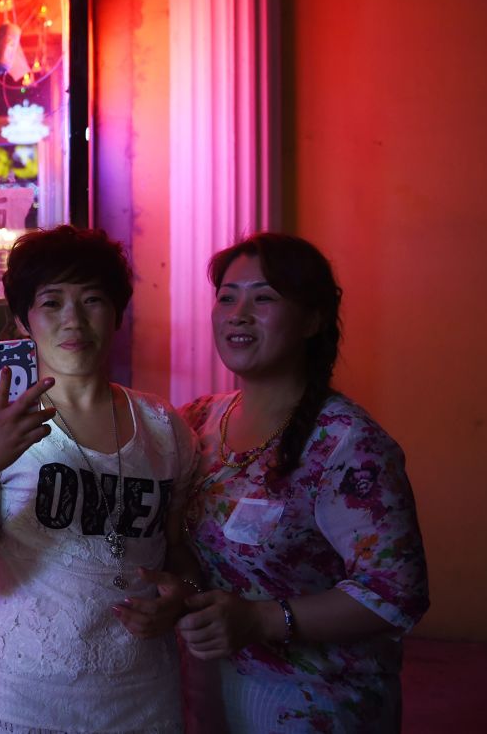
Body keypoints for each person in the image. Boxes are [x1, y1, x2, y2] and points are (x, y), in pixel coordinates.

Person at [0, 225, 199, 734]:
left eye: (92, 299)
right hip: (22, 698)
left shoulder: (164, 427)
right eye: (51, 303)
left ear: (117, 312)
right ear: (23, 321)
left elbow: (178, 551)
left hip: (140, 696)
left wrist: (178, 596)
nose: (73, 319)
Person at [176, 233, 429, 732]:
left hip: (318, 702)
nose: (238, 313)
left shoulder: (346, 444)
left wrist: (261, 620)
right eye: (227, 296)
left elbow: (396, 593)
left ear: (312, 320)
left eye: (264, 297)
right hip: (211, 687)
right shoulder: (198, 421)